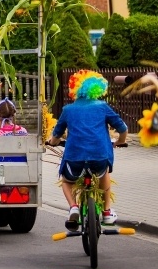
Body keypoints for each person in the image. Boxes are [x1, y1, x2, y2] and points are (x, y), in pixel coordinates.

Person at [46, 70, 128, 231]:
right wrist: (120, 141)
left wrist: (52, 142)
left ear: (74, 89)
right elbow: (122, 128)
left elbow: (57, 134)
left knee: (66, 181)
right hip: (99, 157)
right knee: (104, 175)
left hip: (74, 159)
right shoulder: (102, 107)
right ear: (97, 88)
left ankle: (73, 207)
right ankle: (106, 213)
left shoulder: (68, 110)